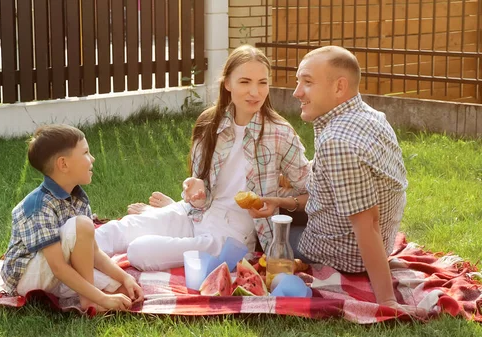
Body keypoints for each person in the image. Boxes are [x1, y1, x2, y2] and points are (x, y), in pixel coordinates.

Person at [95, 45, 311, 271]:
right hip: (194, 213)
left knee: (140, 251)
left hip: (231, 236)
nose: (255, 92)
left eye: (262, 82)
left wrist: (281, 199)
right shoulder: (209, 123)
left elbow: (310, 189)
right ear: (227, 83)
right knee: (118, 229)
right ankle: (62, 264)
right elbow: (200, 187)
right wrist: (195, 187)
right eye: (245, 82)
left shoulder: (279, 132)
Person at [253, 45, 424, 316]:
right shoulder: (369, 117)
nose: (297, 92)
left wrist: (387, 301)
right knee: (269, 202)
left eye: (307, 82)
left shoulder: (337, 142)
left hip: (341, 254)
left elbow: (368, 224)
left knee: (251, 230)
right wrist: (280, 202)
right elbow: (330, 194)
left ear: (339, 87)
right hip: (354, 233)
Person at [0, 124, 143, 312]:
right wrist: (101, 297)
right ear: (63, 164)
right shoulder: (38, 206)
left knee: (124, 292)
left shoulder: (78, 199)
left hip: (59, 270)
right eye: (85, 153)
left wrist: (124, 277)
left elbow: (95, 253)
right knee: (83, 225)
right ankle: (88, 303)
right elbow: (58, 267)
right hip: (29, 277)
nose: (92, 158)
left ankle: (86, 296)